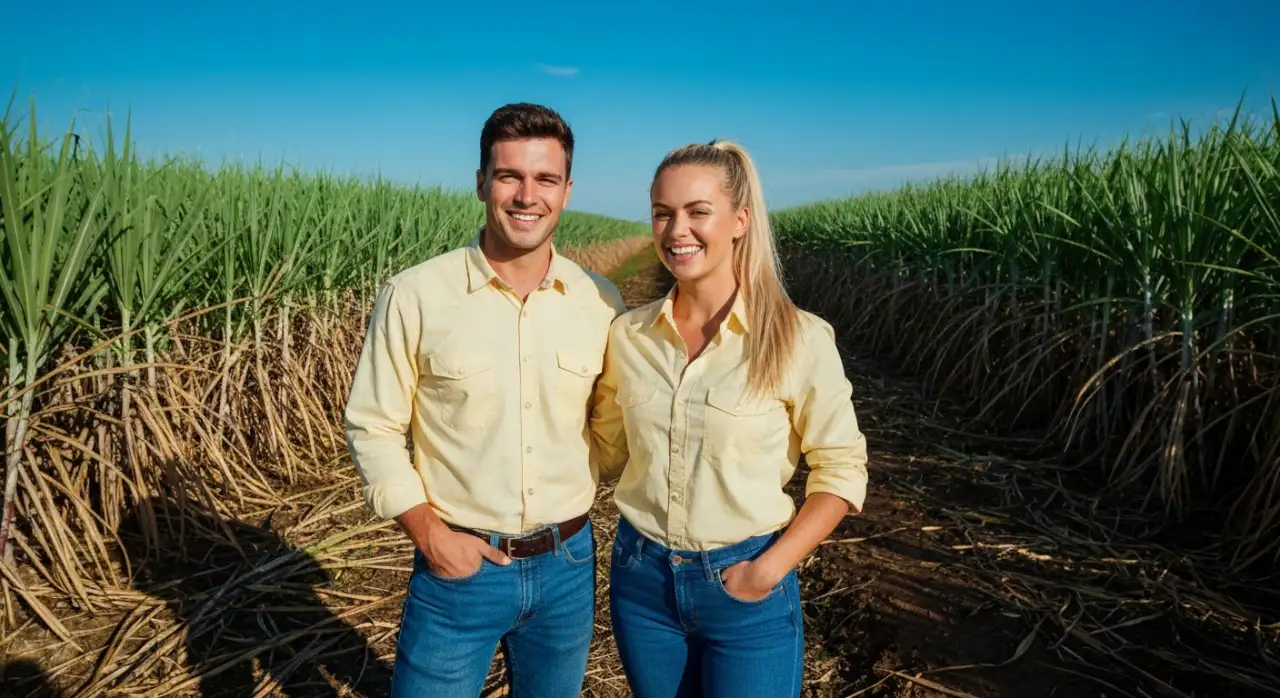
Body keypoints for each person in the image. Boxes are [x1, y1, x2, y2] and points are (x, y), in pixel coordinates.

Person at [344, 102, 627, 697]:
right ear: (481, 183)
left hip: (568, 566)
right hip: (457, 570)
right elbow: (372, 425)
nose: (528, 195)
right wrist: (429, 534)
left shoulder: (599, 301)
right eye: (509, 176)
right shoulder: (417, 294)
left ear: (567, 190)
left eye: (545, 179)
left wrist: (573, 488)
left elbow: (609, 426)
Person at [589, 139, 869, 697]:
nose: (676, 231)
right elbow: (603, 450)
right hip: (641, 581)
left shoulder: (797, 338)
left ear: (740, 220)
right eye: (663, 213)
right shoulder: (628, 336)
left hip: (746, 586)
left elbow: (842, 471)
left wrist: (769, 569)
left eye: (698, 212)